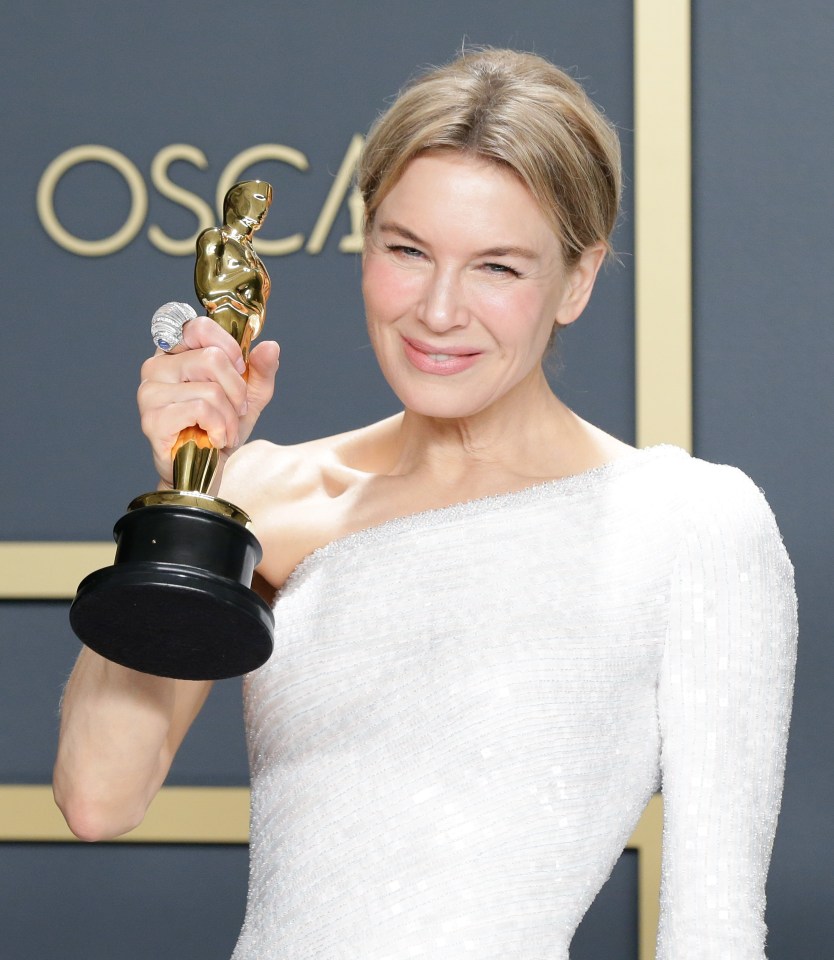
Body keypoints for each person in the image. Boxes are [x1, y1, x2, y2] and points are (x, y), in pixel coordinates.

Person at [53, 49, 797, 959]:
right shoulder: (267, 495)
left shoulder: (689, 522)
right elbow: (98, 798)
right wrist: (185, 484)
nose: (439, 312)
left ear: (578, 279)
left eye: (497, 268)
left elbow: (715, 930)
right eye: (407, 251)